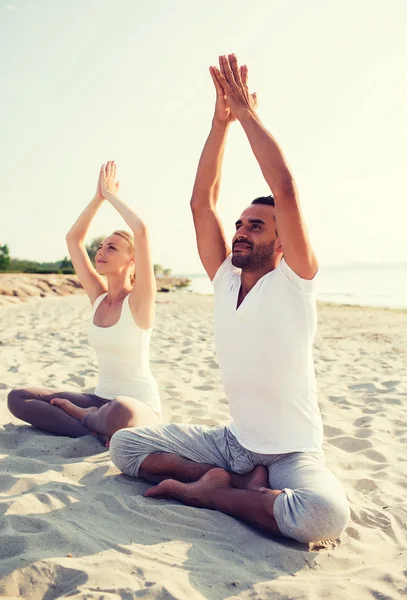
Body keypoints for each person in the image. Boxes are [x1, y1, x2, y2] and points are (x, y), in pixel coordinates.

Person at [108, 55, 350, 543]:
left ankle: (210, 494)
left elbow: (285, 188)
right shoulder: (223, 278)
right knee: (125, 446)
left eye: (255, 226)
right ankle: (239, 485)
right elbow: (202, 202)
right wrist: (218, 123)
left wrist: (245, 114)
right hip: (233, 444)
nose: (240, 232)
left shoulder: (294, 281)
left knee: (324, 516)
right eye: (239, 224)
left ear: (282, 242)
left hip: (291, 454)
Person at [8, 162, 161, 444]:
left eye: (111, 248)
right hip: (98, 398)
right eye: (101, 246)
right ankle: (91, 425)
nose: (101, 251)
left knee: (121, 410)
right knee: (18, 398)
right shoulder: (99, 297)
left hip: (136, 406)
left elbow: (141, 230)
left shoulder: (139, 300)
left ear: (132, 259)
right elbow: (73, 239)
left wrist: (111, 195)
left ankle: (86, 419)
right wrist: (97, 198)